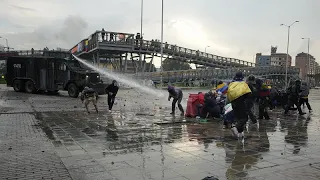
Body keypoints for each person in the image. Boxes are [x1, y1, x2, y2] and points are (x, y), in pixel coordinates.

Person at [227, 72, 252, 139]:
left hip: (233, 103)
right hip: (241, 103)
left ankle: (240, 134)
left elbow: (228, 94)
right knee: (244, 118)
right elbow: (249, 94)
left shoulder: (231, 83)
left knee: (239, 118)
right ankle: (235, 127)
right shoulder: (243, 84)